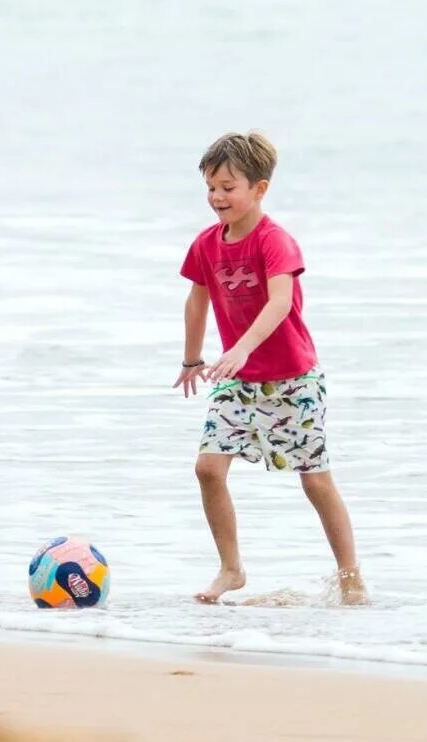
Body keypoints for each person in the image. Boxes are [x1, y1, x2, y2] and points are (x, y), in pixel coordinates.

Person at [172, 131, 367, 606]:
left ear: (259, 189)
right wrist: (193, 358)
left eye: (228, 187)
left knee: (315, 480)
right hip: (236, 381)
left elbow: (280, 302)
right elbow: (196, 300)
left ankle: (350, 577)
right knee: (208, 469)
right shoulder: (205, 244)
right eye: (211, 187)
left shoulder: (274, 241)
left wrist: (240, 347)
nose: (217, 197)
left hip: (293, 381)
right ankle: (231, 569)